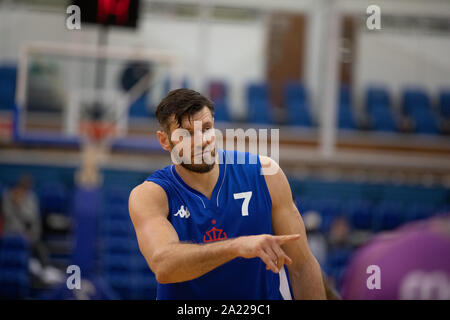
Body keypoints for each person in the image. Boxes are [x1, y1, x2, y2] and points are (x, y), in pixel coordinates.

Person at [129, 88, 325, 299]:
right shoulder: (151, 194)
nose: (202, 140)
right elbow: (164, 265)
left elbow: (302, 265)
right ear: (164, 140)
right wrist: (236, 246)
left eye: (206, 128)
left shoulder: (265, 174)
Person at [2, 175, 63, 286]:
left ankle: (43, 271)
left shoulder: (31, 198)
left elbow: (31, 218)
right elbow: (8, 218)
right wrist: (14, 203)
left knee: (38, 249)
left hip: (30, 236)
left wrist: (19, 205)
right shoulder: (8, 197)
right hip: (11, 235)